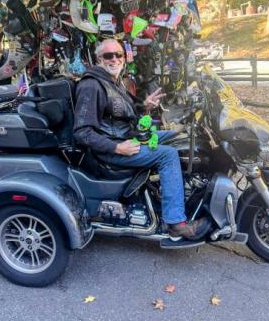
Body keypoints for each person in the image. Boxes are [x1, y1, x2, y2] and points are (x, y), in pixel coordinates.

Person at [73, 39, 211, 241]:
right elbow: (82, 131)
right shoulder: (91, 85)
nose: (114, 59)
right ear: (98, 59)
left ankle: (177, 192)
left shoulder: (113, 81)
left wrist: (145, 106)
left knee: (179, 136)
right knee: (168, 155)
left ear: (124, 57)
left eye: (118, 54)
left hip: (129, 137)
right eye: (108, 55)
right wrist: (117, 147)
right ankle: (176, 223)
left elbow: (119, 115)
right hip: (112, 149)